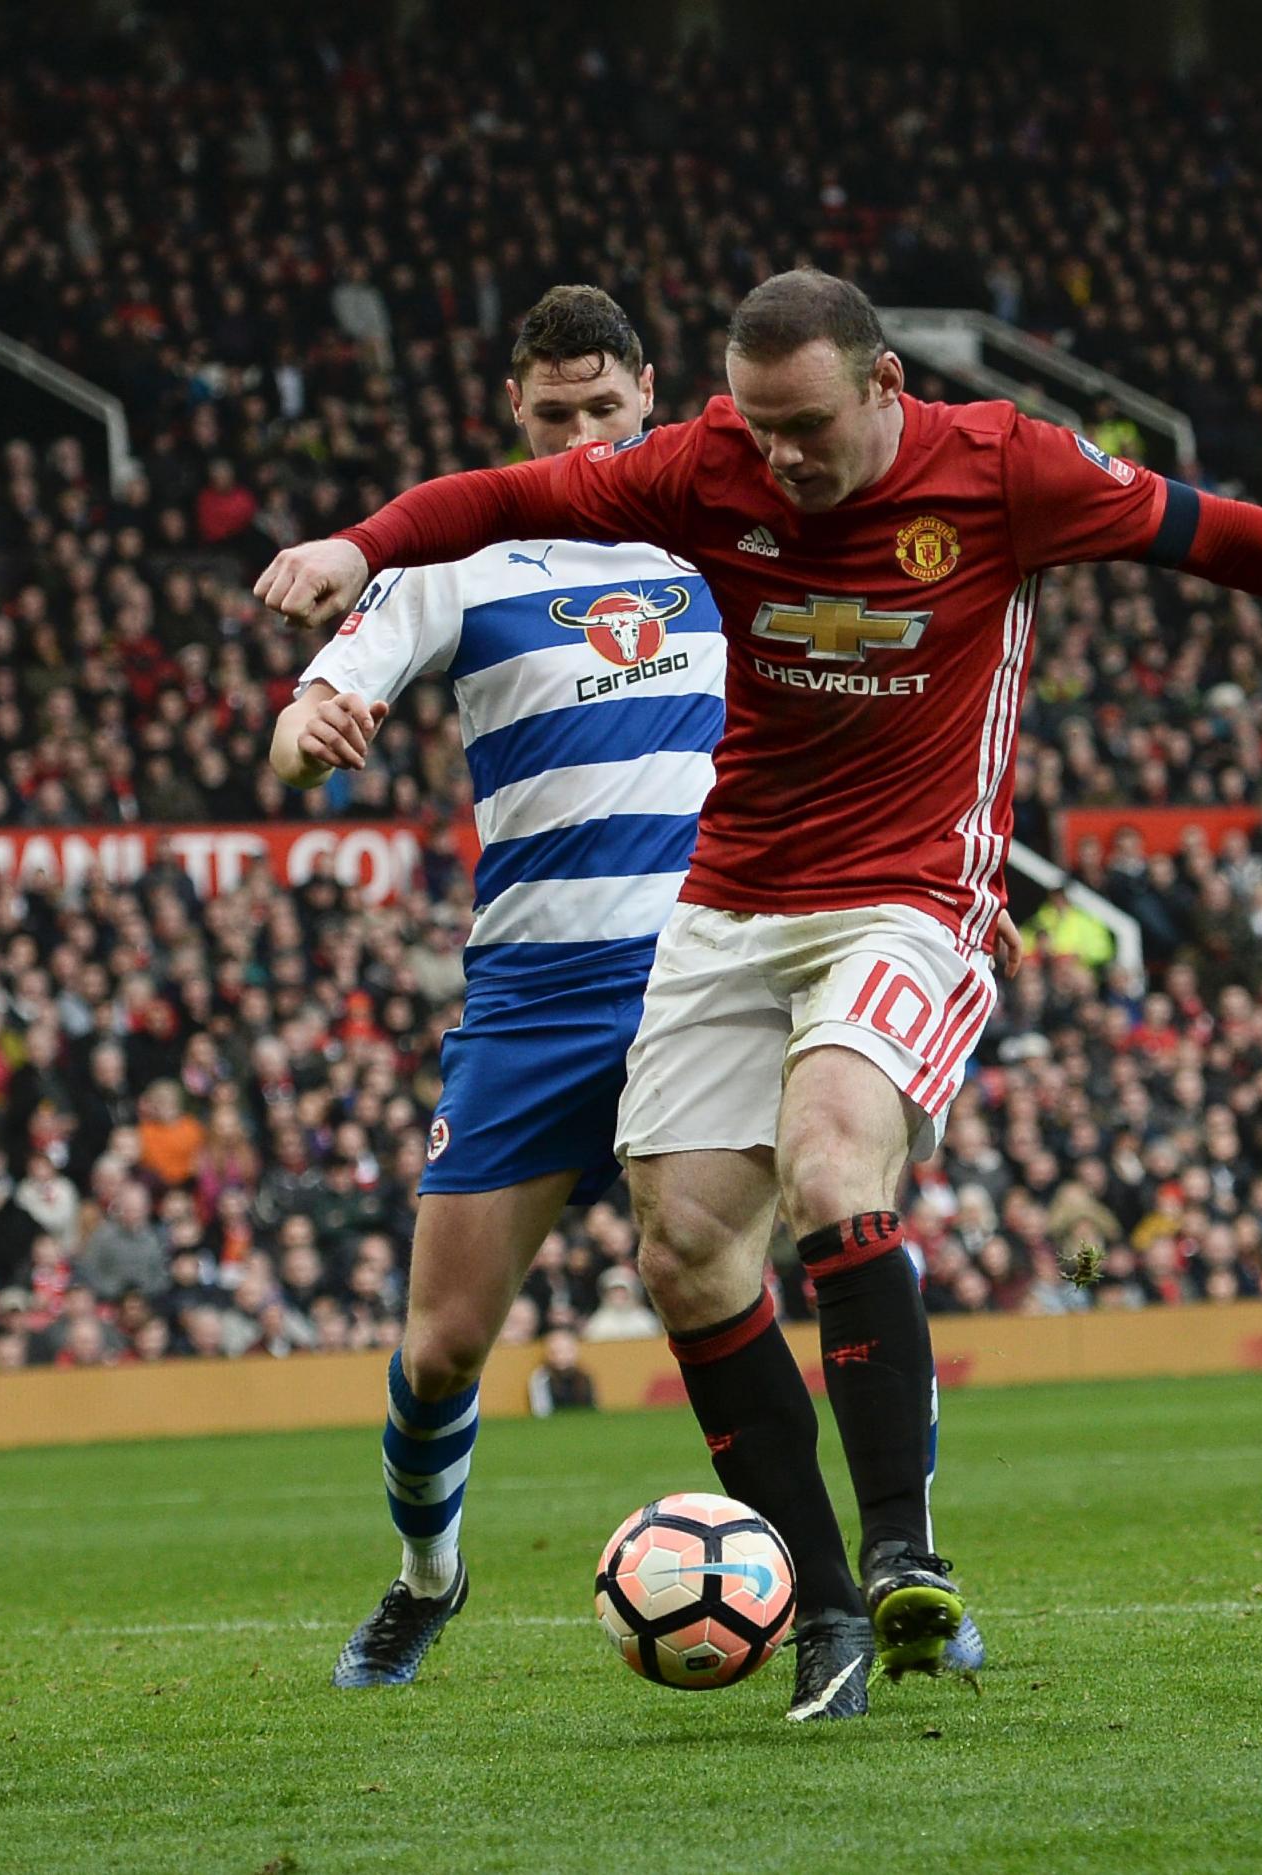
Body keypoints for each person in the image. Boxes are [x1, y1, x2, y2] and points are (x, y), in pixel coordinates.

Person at [257, 267, 1262, 1715]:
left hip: (910, 894)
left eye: (806, 427)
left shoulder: (1003, 468)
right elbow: (475, 506)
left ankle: (909, 1551)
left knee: (832, 1164)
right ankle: (826, 1610)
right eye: (759, 427)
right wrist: (354, 545)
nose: (780, 458)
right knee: (678, 1253)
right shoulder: (697, 471)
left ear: (884, 391)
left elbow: (1220, 534)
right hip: (718, 911)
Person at [269, 286, 1003, 1706]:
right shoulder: (461, 557)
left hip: (722, 957)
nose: (586, 434)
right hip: (539, 992)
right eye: (556, 417)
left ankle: (891, 1577)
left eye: (606, 410)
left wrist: (944, 870)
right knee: (440, 1343)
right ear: (515, 415)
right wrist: (314, 722)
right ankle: (428, 1576)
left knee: (836, 1221)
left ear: (653, 395)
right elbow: (322, 700)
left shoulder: (735, 526)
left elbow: (889, 685)